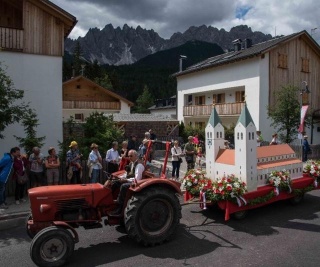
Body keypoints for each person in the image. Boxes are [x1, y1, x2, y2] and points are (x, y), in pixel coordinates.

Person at [108, 149, 145, 216]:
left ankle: (120, 208)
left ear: (136, 156)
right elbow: (127, 174)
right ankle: (110, 200)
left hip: (136, 183)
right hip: (131, 180)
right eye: (128, 156)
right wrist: (120, 177)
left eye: (131, 156)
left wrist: (126, 180)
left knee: (124, 186)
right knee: (115, 182)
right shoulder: (131, 163)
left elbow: (137, 179)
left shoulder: (139, 165)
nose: (129, 158)